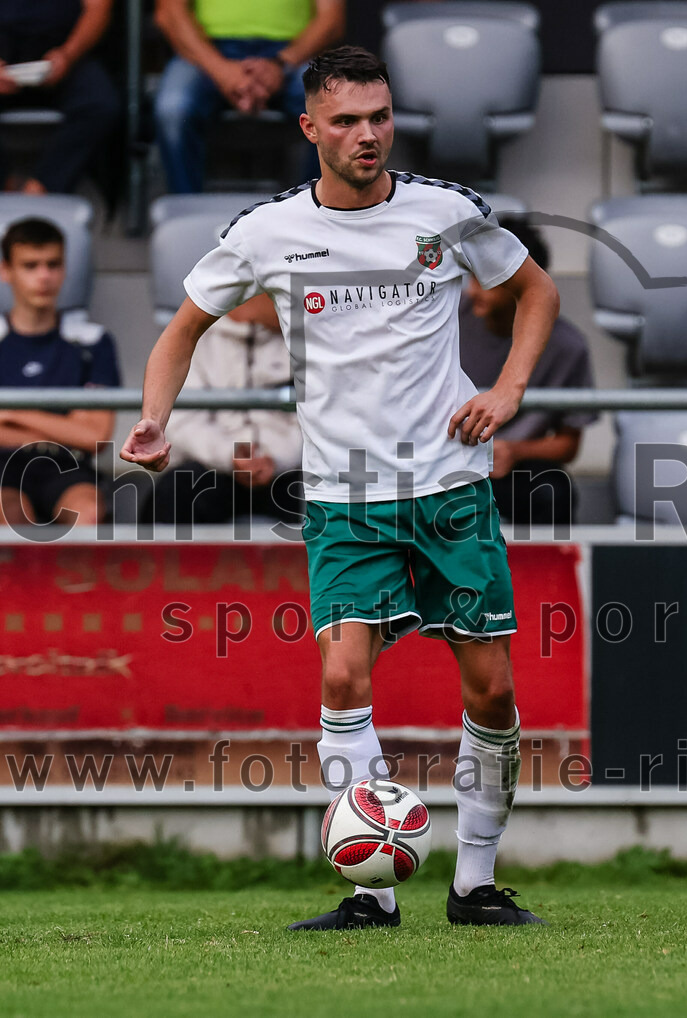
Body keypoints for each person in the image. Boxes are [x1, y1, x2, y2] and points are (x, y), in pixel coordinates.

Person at [122, 46, 560, 928]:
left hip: (449, 488)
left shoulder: (445, 213)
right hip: (343, 497)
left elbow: (535, 291)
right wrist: (154, 418)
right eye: (350, 120)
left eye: (381, 116)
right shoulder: (266, 231)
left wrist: (507, 390)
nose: (369, 134)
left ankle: (475, 884)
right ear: (310, 127)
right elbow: (182, 330)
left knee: (494, 693)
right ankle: (371, 893)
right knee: (344, 674)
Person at [460, 215, 595, 528]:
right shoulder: (448, 320)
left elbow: (569, 443)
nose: (472, 290)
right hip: (446, 462)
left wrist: (514, 451)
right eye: (471, 275)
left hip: (513, 472)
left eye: (486, 278)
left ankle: (546, 576)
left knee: (553, 490)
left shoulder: (568, 346)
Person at [153, 0, 346, 193]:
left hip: (294, 52)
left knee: (332, 106)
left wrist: (281, 64)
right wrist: (221, 71)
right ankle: (186, 215)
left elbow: (331, 19)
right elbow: (170, 14)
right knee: (173, 108)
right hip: (206, 50)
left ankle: (313, 210)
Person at [0, 217, 120, 525]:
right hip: (3, 467)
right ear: (5, 270)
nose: (44, 276)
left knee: (88, 513)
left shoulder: (92, 341)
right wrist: (64, 425)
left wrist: (12, 413)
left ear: (65, 268)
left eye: (53, 264)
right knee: (6, 512)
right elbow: (80, 431)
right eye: (30, 265)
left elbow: (96, 436)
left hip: (68, 465)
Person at [148, 293, 304, 525]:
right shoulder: (196, 338)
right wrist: (231, 457)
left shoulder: (306, 344)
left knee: (330, 489)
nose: (298, 304)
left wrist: (273, 460)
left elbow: (314, 420)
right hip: (212, 468)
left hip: (284, 472)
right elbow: (181, 422)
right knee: (174, 489)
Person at [0, 0, 120, 194]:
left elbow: (98, 9)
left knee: (101, 103)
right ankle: (5, 188)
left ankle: (41, 189)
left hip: (65, 49)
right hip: (4, 50)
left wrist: (68, 54)